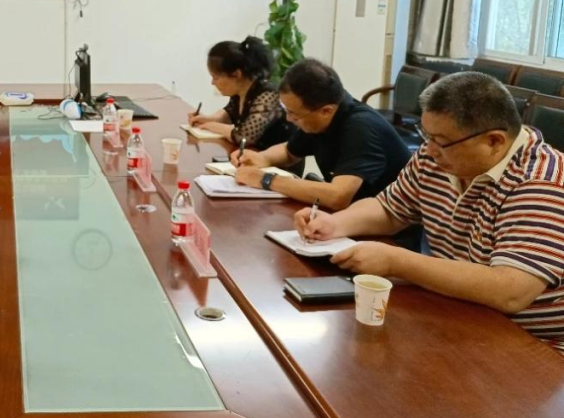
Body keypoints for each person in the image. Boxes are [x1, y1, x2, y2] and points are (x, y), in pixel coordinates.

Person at [297, 72, 564, 354]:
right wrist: (335, 223)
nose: (430, 150)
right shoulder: (438, 156)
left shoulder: (542, 183)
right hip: (460, 310)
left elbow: (510, 291)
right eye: (426, 135)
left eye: (441, 141)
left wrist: (396, 261)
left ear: (494, 141)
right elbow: (391, 209)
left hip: (535, 344)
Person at [231, 59, 410, 211]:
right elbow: (289, 152)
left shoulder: (361, 128)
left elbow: (338, 197)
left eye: (294, 114)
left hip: (391, 232)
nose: (289, 119)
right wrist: (261, 158)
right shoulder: (320, 116)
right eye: (287, 110)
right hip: (350, 217)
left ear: (326, 111)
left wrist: (266, 179)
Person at [187, 36, 287, 149]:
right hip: (251, 154)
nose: (212, 83)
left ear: (237, 74)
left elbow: (245, 137)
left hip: (274, 158)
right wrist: (207, 119)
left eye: (216, 77)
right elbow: (229, 114)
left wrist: (212, 126)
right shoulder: (239, 91)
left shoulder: (268, 94)